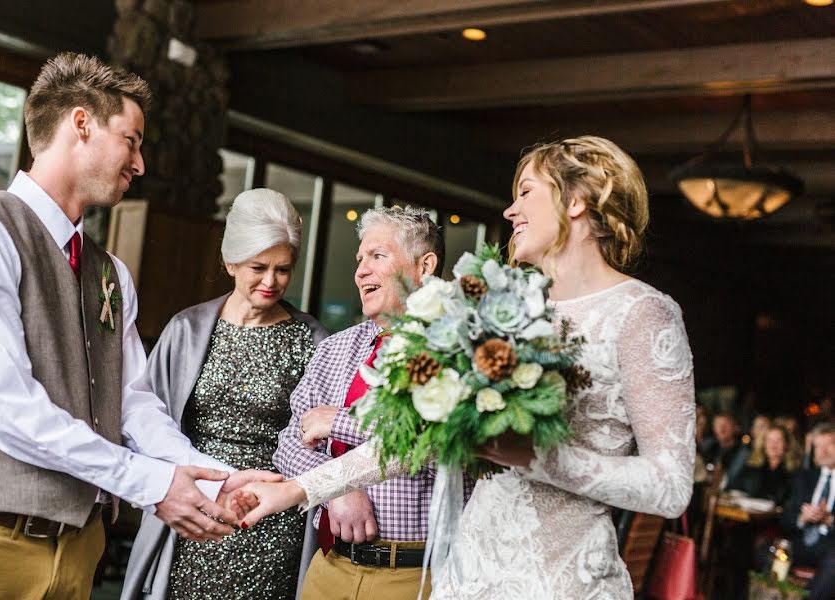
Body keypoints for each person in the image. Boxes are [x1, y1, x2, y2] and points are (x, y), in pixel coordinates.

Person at [237, 136, 696, 599]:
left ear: (576, 201)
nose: (510, 211)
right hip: (467, 572)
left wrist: (534, 457)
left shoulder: (641, 313)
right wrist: (298, 490)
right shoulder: (506, 307)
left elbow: (670, 486)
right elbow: (416, 442)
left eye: (527, 192)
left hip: (561, 578)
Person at [0, 53, 272, 600]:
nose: (139, 164)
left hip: (78, 551)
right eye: (132, 140)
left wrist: (213, 472)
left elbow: (131, 406)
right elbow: (7, 408)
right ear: (81, 123)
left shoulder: (110, 271)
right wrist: (151, 484)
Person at [121, 188, 329, 600]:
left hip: (273, 523)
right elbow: (146, 422)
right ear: (231, 261)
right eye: (259, 267)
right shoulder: (186, 330)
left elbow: (321, 445)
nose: (271, 282)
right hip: (195, 512)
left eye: (283, 269)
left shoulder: (313, 340)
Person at [273, 205, 475, 600]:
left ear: (426, 265)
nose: (360, 270)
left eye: (377, 256)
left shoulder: (459, 349)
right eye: (359, 260)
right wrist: (336, 489)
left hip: (418, 576)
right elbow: (289, 442)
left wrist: (340, 422)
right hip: (329, 568)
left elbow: (447, 445)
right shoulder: (334, 349)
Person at [782, 421, 835, 600]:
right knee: (765, 550)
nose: (823, 451)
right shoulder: (804, 478)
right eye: (818, 446)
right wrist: (802, 518)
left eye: (829, 445)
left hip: (831, 546)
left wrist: (829, 520)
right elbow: (786, 518)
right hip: (802, 543)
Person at [730, 424, 798, 506]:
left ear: (786, 444)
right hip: (749, 514)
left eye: (779, 440)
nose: (773, 445)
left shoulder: (794, 472)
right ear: (764, 443)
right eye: (769, 440)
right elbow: (734, 487)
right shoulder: (752, 466)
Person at [701, 411, 751, 487]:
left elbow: (733, 479)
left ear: (735, 428)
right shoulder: (707, 446)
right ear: (713, 428)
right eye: (718, 425)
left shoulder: (743, 453)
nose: (722, 429)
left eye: (726, 425)